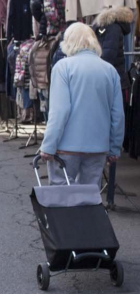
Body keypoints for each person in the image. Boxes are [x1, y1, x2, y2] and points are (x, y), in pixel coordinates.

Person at [40, 23, 125, 187]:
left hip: (66, 146)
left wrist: (48, 145)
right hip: (98, 147)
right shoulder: (109, 70)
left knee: (61, 195)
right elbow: (117, 114)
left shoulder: (63, 67)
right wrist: (114, 147)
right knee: (89, 197)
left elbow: (59, 111)